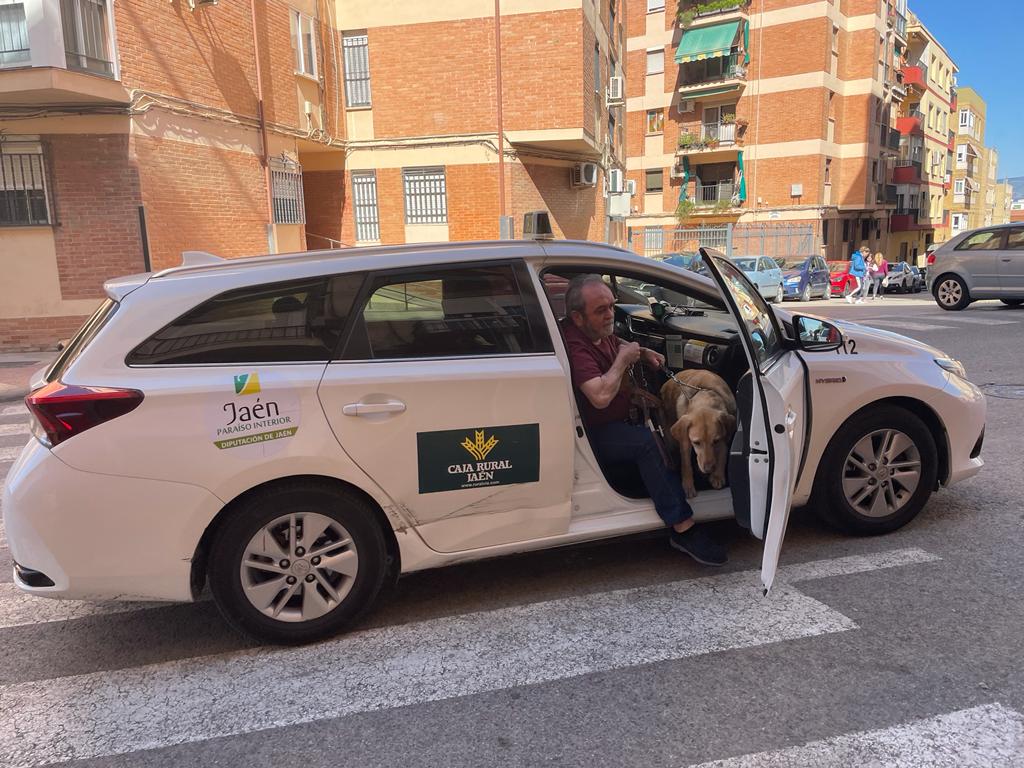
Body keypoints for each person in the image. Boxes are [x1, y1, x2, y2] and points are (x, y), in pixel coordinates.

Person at [561, 274, 727, 566]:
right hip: (594, 431)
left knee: (659, 435)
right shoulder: (576, 346)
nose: (611, 314)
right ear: (577, 317)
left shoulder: (596, 333)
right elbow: (599, 396)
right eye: (601, 310)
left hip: (619, 421)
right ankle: (682, 528)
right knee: (646, 444)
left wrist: (643, 352)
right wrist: (625, 359)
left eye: (612, 306)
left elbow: (614, 342)